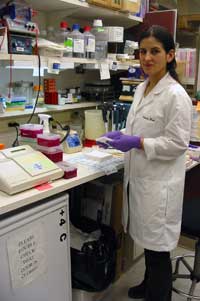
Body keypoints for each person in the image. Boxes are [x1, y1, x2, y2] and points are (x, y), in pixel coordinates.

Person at [99, 25, 192, 301]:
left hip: (159, 185)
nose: (147, 58)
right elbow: (142, 128)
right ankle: (148, 283)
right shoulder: (141, 88)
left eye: (155, 51)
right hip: (141, 180)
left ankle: (158, 294)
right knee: (147, 243)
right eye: (142, 52)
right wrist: (122, 136)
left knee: (158, 250)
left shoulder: (176, 96)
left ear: (170, 55)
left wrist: (138, 143)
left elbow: (177, 144)